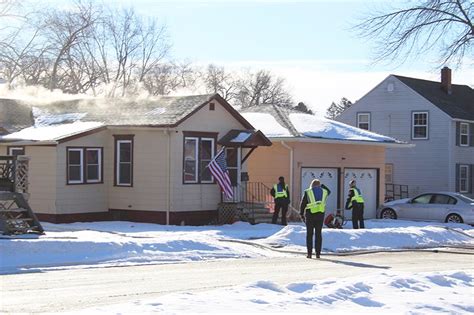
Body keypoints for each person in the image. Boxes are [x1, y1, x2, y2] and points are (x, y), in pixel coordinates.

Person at [299, 179, 331, 259]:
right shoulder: (324, 192)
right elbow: (329, 191)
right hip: (320, 215)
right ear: (319, 185)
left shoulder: (308, 192)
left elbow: (303, 203)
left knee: (309, 234)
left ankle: (309, 254)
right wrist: (322, 186)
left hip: (310, 215)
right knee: (318, 234)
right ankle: (318, 254)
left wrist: (301, 213)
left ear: (312, 185)